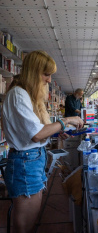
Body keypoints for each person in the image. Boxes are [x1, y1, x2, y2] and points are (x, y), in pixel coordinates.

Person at [2, 50, 84, 233]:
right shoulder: (18, 95)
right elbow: (36, 135)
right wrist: (65, 121)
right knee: (24, 225)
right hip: (25, 162)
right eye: (46, 74)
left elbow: (32, 131)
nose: (48, 80)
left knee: (31, 220)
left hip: (31, 159)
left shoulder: (24, 95)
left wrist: (55, 132)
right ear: (33, 72)